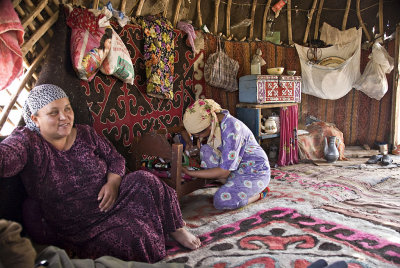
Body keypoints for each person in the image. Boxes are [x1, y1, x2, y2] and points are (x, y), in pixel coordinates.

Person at [0, 84, 201, 263]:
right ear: (35, 119)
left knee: (146, 179)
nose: (64, 117)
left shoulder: (85, 133)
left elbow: (115, 159)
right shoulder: (27, 142)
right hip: (81, 225)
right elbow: (5, 159)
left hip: (113, 199)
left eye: (67, 109)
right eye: (53, 113)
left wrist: (113, 182)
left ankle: (175, 228)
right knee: (134, 238)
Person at [181, 99, 271, 210]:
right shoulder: (216, 122)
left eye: (198, 134)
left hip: (254, 171)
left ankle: (260, 193)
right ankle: (233, 184)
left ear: (210, 124)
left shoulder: (232, 129)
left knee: (221, 201)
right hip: (236, 168)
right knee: (205, 150)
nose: (198, 137)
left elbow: (224, 172)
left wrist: (191, 173)